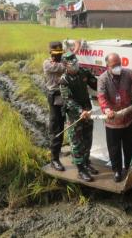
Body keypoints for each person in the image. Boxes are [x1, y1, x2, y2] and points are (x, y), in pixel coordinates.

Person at [97, 53, 132, 182]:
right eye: (114, 65)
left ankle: (129, 166)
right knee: (114, 148)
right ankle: (117, 170)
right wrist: (107, 110)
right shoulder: (102, 79)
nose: (118, 67)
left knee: (129, 145)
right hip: (112, 121)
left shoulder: (128, 73)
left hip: (128, 119)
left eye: (119, 64)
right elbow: (101, 97)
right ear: (107, 66)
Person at [60, 52, 98, 182]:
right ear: (65, 66)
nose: (75, 66)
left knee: (88, 138)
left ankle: (87, 163)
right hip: (75, 115)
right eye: (72, 65)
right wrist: (81, 110)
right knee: (77, 142)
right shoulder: (64, 80)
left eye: (76, 63)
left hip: (87, 111)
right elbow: (68, 100)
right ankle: (81, 169)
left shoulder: (84, 72)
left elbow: (96, 84)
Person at [43, 41, 66, 171]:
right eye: (55, 54)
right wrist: (65, 64)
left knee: (71, 124)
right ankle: (54, 159)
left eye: (60, 54)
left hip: (66, 95)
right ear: (50, 53)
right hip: (55, 96)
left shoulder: (61, 61)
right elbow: (63, 67)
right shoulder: (47, 64)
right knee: (57, 128)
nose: (57, 56)